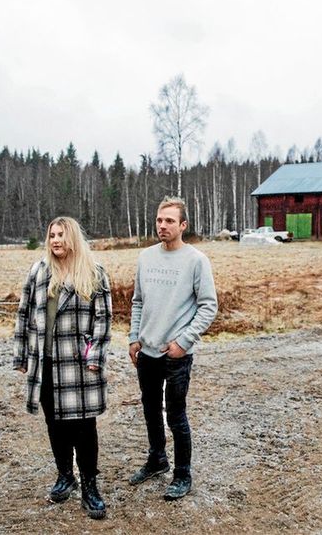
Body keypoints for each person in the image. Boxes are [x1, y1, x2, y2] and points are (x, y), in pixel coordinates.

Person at [12, 216, 113, 520]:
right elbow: (23, 313)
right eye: (51, 235)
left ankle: (90, 486)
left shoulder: (94, 274)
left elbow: (103, 320)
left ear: (73, 239)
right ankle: (65, 475)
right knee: (55, 425)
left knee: (83, 428)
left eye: (61, 235)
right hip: (45, 365)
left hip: (79, 366)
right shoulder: (39, 271)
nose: (55, 240)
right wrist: (22, 356)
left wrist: (94, 357)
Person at [127, 197, 217, 500]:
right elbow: (138, 301)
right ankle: (157, 460)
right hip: (147, 351)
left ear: (183, 225)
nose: (162, 226)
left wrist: (184, 342)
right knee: (151, 409)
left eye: (169, 221)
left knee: (176, 416)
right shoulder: (146, 257)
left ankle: (182, 474)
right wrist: (133, 338)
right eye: (159, 220)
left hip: (176, 354)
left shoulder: (196, 260)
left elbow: (208, 307)